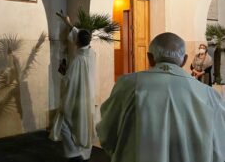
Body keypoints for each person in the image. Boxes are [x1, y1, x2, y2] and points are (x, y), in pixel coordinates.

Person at [96, 32, 225, 162]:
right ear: (185, 60)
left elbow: (107, 133)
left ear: (149, 57)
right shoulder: (209, 95)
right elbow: (219, 148)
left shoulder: (127, 85)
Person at [50, 12, 96, 162]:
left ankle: (75, 156)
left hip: (76, 98)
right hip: (87, 98)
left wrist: (62, 70)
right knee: (84, 126)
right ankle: (83, 153)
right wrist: (68, 23)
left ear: (75, 42)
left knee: (65, 124)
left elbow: (68, 81)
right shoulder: (92, 53)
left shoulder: (77, 60)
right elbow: (81, 36)